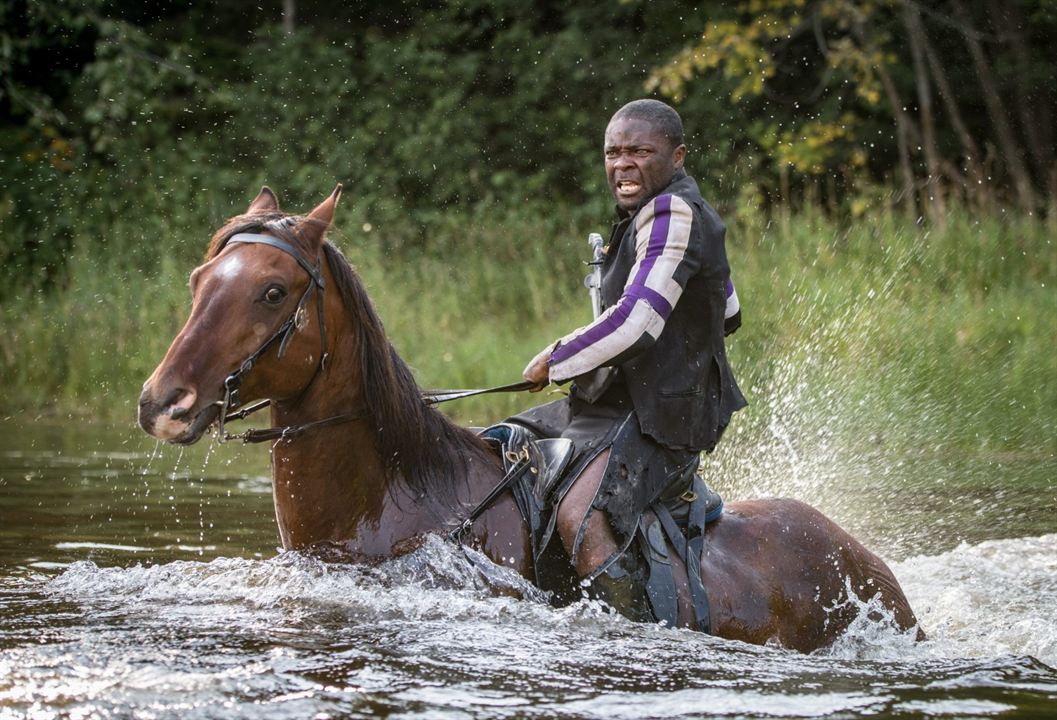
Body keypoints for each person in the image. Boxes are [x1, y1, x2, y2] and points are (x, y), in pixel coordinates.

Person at [515, 98, 746, 628]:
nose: (622, 164)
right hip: (622, 402)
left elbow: (637, 322)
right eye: (613, 152)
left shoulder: (673, 212)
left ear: (678, 156)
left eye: (640, 151)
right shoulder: (655, 214)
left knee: (582, 517)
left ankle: (643, 645)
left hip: (664, 416)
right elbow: (728, 311)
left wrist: (557, 359)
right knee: (502, 446)